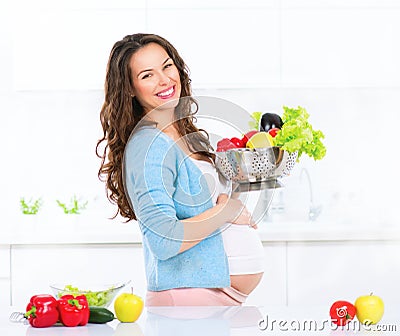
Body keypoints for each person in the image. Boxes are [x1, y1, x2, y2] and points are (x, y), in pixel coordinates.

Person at [96, 33, 264, 306]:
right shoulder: (148, 145)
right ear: (129, 88)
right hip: (189, 301)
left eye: (167, 66)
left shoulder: (187, 133)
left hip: (213, 300)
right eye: (147, 75)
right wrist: (225, 211)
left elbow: (201, 211)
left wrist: (230, 200)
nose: (164, 80)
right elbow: (164, 240)